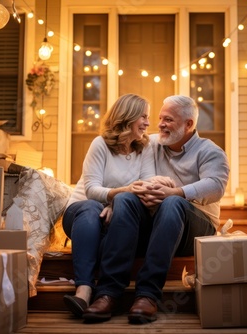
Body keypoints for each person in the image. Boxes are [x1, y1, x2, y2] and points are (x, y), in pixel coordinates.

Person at [82, 95, 230, 324]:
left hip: (196, 228)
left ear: (189, 124)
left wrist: (177, 192)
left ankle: (147, 294)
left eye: (168, 120)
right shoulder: (151, 143)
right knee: (125, 199)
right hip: (158, 225)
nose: (159, 124)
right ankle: (108, 293)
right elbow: (127, 175)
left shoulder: (209, 151)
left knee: (172, 203)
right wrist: (113, 201)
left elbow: (216, 187)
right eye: (159, 118)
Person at [61, 93, 160, 318]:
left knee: (112, 225)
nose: (147, 122)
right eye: (143, 116)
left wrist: (119, 203)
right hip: (80, 214)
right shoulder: (101, 144)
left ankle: (106, 293)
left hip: (114, 218)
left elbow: (146, 186)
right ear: (128, 116)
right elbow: (92, 190)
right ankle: (84, 290)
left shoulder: (145, 148)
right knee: (91, 208)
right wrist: (119, 194)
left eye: (148, 117)